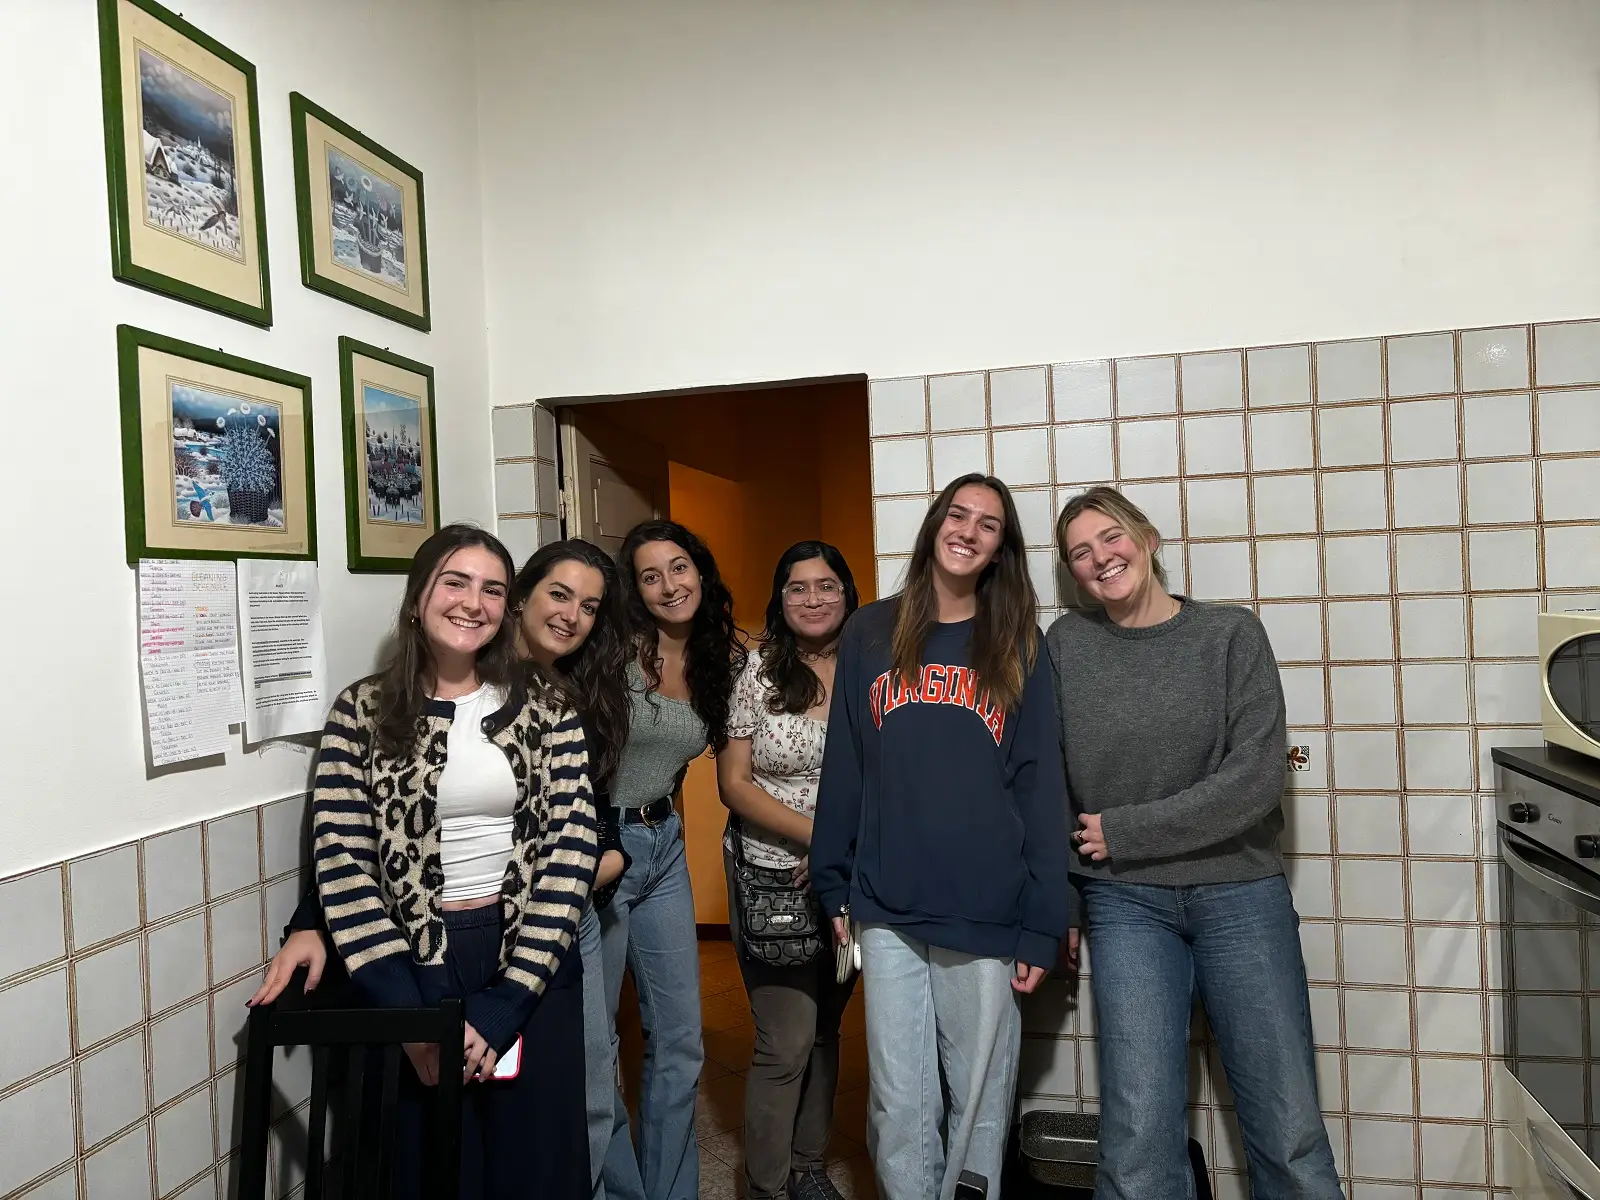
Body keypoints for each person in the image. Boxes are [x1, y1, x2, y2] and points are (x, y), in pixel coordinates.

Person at [254, 538, 635, 1200]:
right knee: (430, 1168)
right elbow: (344, 859)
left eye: (492, 589)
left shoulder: (547, 705)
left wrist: (504, 1005)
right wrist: (408, 1015)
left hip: (530, 960)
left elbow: (570, 853)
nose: (474, 603)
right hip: (410, 961)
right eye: (455, 582)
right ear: (417, 597)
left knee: (538, 1167)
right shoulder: (361, 713)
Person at [1047, 487, 1341, 1199]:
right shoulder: (1067, 644)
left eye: (1110, 538)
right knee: (1137, 1138)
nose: (1100, 558)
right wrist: (1057, 898)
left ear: (1146, 538)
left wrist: (1125, 830)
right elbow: (1047, 780)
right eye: (1080, 553)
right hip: (1124, 904)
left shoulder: (1230, 635)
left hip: (1240, 892)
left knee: (1287, 1124)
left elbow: (1256, 777)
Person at [809, 474, 1073, 1200]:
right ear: (933, 525)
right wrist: (832, 878)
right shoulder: (870, 630)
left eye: (988, 524)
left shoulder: (1019, 638)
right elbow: (848, 766)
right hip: (887, 904)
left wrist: (1047, 920)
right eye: (958, 514)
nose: (968, 530)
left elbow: (1040, 783)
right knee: (899, 1101)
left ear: (1000, 550)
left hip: (988, 908)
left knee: (979, 1100)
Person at [602, 519, 746, 1200]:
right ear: (634, 589)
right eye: (650, 575)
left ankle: (670, 1192)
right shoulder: (612, 655)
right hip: (599, 849)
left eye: (679, 567)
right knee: (597, 1047)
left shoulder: (724, 661)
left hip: (662, 847)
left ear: (701, 571)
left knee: (681, 1039)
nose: (669, 585)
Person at [716, 541, 860, 1200]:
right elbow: (735, 785)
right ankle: (766, 1186)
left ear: (848, 593)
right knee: (787, 1038)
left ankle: (808, 1167)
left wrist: (843, 855)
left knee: (828, 1028)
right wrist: (818, 841)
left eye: (825, 585)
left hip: (851, 876)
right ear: (779, 599)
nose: (811, 599)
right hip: (772, 872)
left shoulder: (872, 666)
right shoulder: (757, 672)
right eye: (796, 587)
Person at [507, 540, 634, 1200]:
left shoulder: (586, 696)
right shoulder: (472, 682)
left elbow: (604, 822)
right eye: (560, 594)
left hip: (571, 915)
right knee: (514, 1095)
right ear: (522, 594)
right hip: (489, 927)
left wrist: (591, 868)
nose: (571, 615)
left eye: (589, 606)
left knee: (587, 1087)